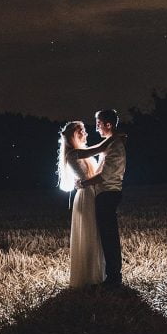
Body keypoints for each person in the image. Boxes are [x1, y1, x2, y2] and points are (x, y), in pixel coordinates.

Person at [57, 120, 114, 288]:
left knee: (95, 233)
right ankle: (89, 276)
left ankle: (96, 273)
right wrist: (115, 137)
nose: (87, 134)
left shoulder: (79, 152)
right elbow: (98, 149)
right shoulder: (73, 154)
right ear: (76, 134)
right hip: (87, 196)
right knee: (90, 233)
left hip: (90, 192)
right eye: (83, 131)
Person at [78, 109, 126, 288]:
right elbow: (95, 151)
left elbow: (103, 176)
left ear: (108, 124)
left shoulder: (115, 145)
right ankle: (112, 275)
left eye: (99, 124)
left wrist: (83, 183)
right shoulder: (111, 142)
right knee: (106, 235)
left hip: (108, 193)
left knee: (109, 236)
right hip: (105, 193)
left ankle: (114, 278)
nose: (96, 128)